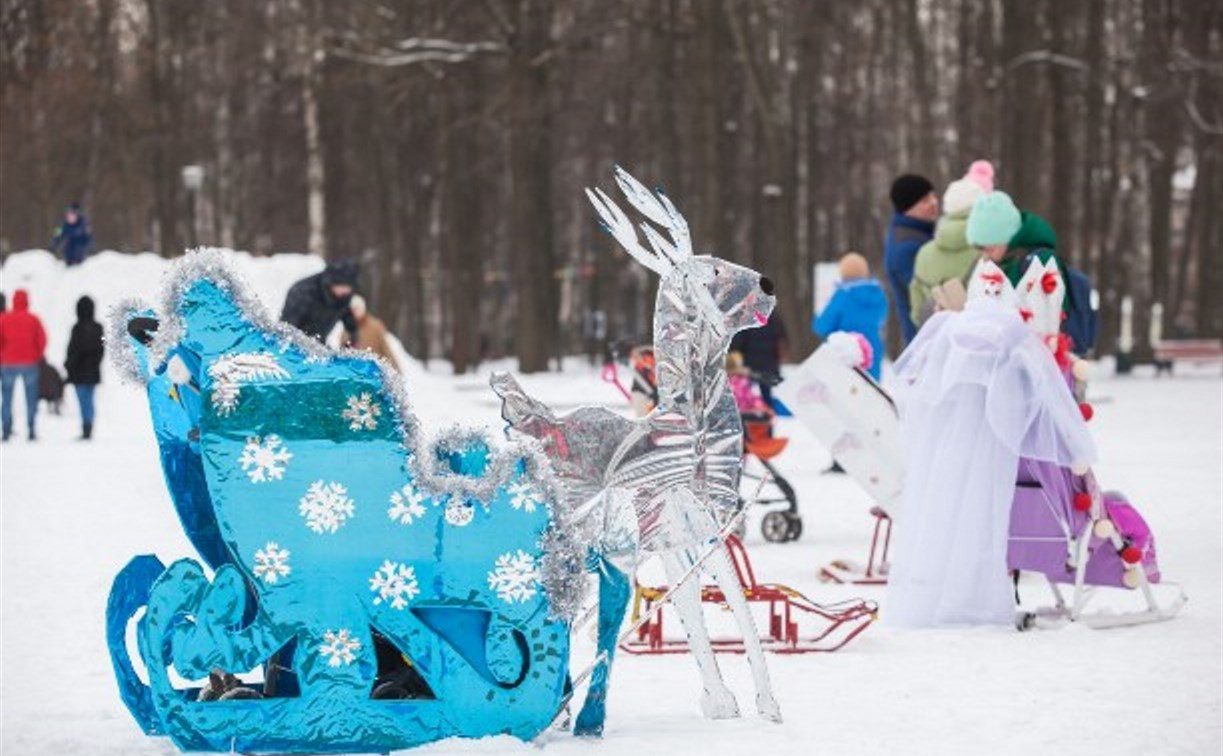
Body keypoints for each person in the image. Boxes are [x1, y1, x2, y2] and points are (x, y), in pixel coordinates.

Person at [884, 295, 1096, 628]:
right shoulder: (1012, 345)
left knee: (952, 514)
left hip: (952, 452)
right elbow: (1051, 405)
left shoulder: (950, 335)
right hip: (995, 456)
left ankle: (943, 590)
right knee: (979, 513)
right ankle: (968, 598)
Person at [909, 161, 995, 328]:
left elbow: (917, 313)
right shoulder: (991, 250)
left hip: (939, 345)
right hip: (982, 342)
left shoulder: (924, 253)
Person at [813, 252, 888, 381]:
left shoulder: (843, 294)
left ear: (843, 272)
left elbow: (822, 326)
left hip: (847, 353)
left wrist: (817, 317)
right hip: (872, 351)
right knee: (870, 393)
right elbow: (882, 319)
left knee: (847, 395)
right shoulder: (879, 295)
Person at [884, 174, 938, 345]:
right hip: (923, 339)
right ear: (908, 207)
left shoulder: (920, 233)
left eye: (933, 196)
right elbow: (924, 295)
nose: (934, 202)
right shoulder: (906, 246)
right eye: (924, 200)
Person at [0, 290, 49, 441]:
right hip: (29, 363)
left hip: (7, 363)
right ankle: (31, 429)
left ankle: (6, 430)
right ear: (27, 301)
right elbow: (42, 339)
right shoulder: (33, 319)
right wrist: (37, 355)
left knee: (7, 398)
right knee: (31, 398)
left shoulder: (4, 319)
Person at [281, 259, 360, 342]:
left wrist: (353, 330)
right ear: (332, 282)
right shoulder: (302, 292)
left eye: (349, 287)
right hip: (294, 344)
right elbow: (287, 325)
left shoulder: (343, 296)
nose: (346, 291)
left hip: (319, 343)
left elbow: (345, 311)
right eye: (343, 286)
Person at [64, 295, 105, 439]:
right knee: (89, 399)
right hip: (92, 370)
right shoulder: (98, 327)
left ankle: (86, 428)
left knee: (83, 400)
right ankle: (88, 427)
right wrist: (95, 363)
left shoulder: (77, 328)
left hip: (78, 371)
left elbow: (71, 350)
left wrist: (68, 365)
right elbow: (101, 350)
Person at [729, 311, 788, 408]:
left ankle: (750, 415)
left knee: (746, 393)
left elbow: (739, 339)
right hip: (769, 362)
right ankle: (768, 414)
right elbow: (781, 336)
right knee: (766, 393)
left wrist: (734, 352)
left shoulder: (748, 317)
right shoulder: (772, 317)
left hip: (750, 363)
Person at [342, 295, 401, 372]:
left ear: (363, 309)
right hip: (354, 371)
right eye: (353, 309)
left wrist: (395, 370)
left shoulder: (375, 326)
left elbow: (386, 349)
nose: (355, 312)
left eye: (357, 309)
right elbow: (342, 350)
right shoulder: (347, 327)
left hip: (374, 370)